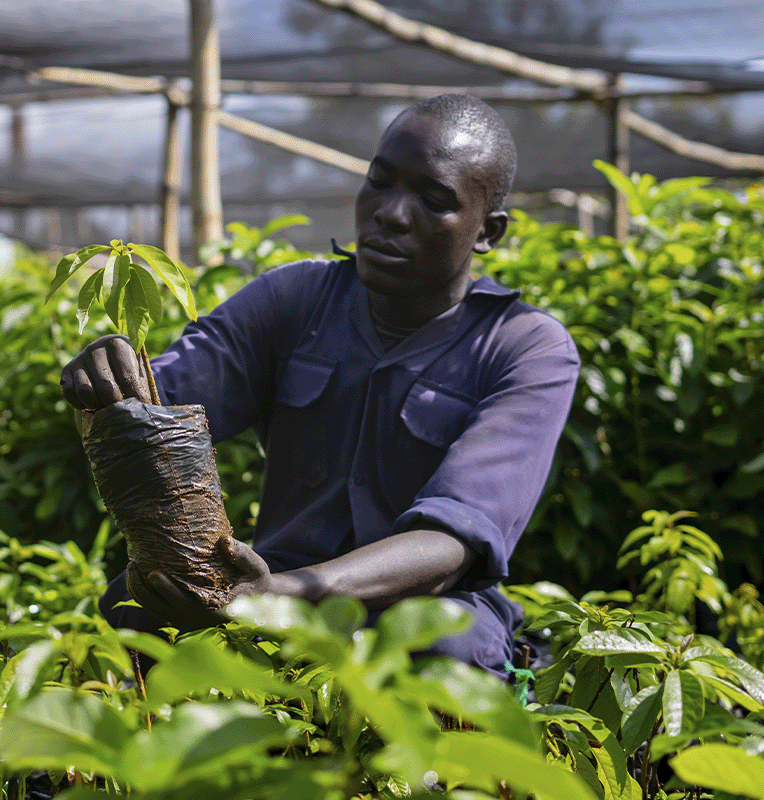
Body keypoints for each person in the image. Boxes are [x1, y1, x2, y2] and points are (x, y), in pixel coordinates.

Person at [58, 94, 580, 676]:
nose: (391, 213)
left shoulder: (525, 347)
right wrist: (112, 373)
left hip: (422, 602)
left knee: (448, 649)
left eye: (433, 200)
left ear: (488, 232)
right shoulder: (292, 299)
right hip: (268, 577)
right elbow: (164, 401)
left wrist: (285, 597)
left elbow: (454, 537)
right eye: (380, 183)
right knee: (133, 609)